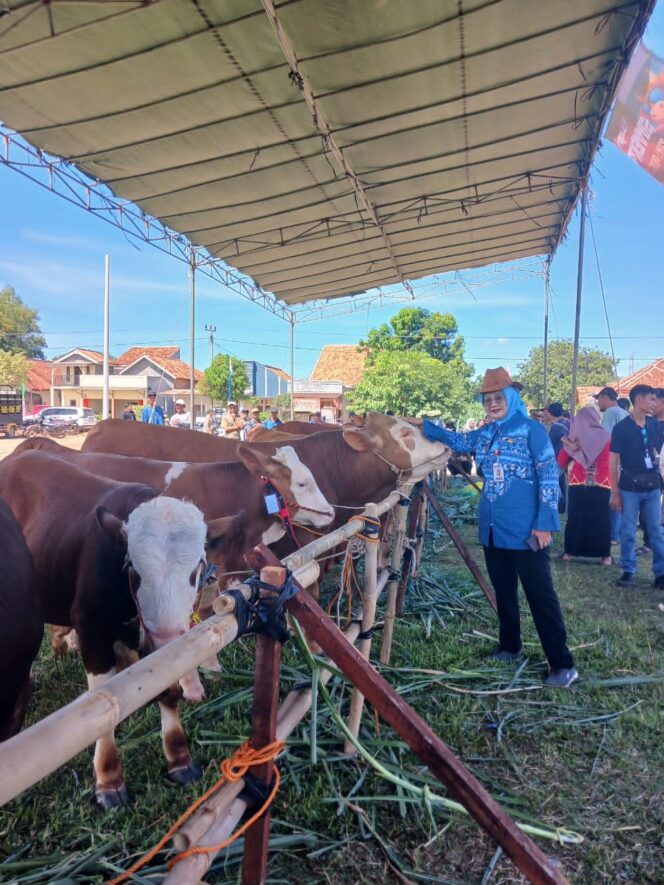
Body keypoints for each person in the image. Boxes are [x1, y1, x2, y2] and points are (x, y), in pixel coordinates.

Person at [415, 367, 577, 687]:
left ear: (512, 397)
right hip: (492, 528)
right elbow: (458, 440)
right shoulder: (486, 433)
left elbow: (549, 476)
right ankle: (509, 646)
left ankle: (562, 664)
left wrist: (545, 524)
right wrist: (424, 427)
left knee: (540, 596)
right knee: (504, 593)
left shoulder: (533, 430)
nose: (492, 403)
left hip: (527, 530)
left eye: (498, 397)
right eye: (487, 399)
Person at [610, 384, 664, 589]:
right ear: (639, 400)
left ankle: (661, 574)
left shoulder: (654, 425)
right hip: (629, 488)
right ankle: (628, 570)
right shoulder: (622, 428)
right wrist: (614, 492)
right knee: (628, 530)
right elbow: (613, 461)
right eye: (651, 399)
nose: (654, 403)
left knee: (655, 531)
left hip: (652, 486)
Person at [557, 407, 612, 565]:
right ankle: (605, 557)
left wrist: (568, 445)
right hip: (602, 482)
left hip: (578, 481)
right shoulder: (607, 436)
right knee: (602, 519)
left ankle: (568, 554)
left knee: (575, 517)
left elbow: (561, 460)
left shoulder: (575, 437)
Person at [595, 387, 628, 544]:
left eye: (599, 399)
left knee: (612, 497)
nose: (598, 402)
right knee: (620, 498)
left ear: (605, 397)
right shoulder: (623, 412)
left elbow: (604, 438)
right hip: (626, 461)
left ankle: (612, 536)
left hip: (613, 461)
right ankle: (618, 534)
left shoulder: (610, 413)